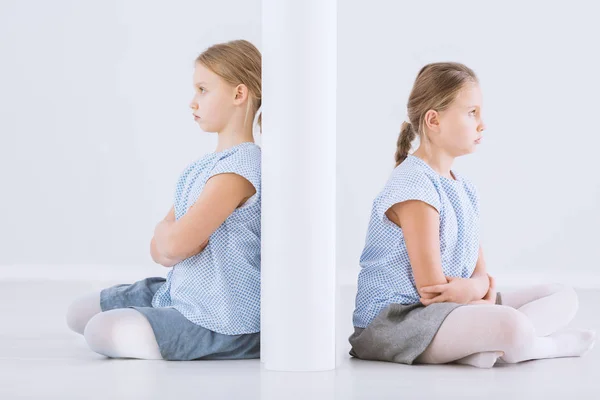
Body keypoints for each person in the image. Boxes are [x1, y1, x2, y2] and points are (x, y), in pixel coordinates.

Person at [349, 62, 596, 368]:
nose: (482, 124)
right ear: (433, 120)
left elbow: (482, 276)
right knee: (511, 324)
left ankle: (486, 349)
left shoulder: (463, 189)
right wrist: (478, 291)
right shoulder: (413, 187)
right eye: (472, 113)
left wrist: (478, 289)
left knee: (563, 296)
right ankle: (537, 346)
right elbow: (432, 292)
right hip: (398, 324)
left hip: (455, 310)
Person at [66, 39, 263, 361]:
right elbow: (163, 252)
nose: (192, 102)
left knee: (101, 330)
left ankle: (184, 333)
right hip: (185, 290)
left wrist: (170, 234)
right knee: (80, 312)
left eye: (203, 90)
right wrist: (170, 235)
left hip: (223, 315)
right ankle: (160, 315)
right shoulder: (203, 167)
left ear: (239, 95)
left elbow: (171, 246)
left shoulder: (240, 169)